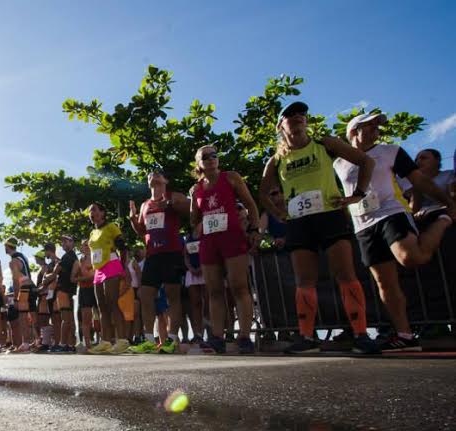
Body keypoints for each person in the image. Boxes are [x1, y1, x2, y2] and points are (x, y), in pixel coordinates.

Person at [260, 101, 379, 354]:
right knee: (305, 280)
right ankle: (306, 338)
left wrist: (357, 194)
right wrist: (278, 213)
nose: (297, 117)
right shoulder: (276, 160)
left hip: (330, 216)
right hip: (300, 223)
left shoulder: (326, 144)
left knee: (345, 274)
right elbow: (262, 193)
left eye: (301, 114)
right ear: (281, 125)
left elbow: (366, 162)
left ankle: (361, 334)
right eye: (290, 115)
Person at [334, 113, 456, 352]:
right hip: (363, 223)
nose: (373, 130)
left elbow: (418, 180)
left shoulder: (391, 150)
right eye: (366, 126)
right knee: (384, 282)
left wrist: (447, 204)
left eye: (375, 126)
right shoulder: (338, 162)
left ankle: (442, 220)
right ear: (352, 132)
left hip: (392, 212)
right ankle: (405, 335)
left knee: (410, 258)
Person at [191, 145, 261, 354]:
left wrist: (255, 229)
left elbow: (250, 204)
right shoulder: (196, 189)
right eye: (206, 156)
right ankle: (217, 337)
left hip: (232, 237)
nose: (211, 159)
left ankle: (244, 337)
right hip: (209, 242)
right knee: (213, 291)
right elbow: (194, 220)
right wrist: (198, 227)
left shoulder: (231, 177)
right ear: (199, 163)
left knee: (239, 286)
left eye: (214, 155)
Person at [128, 171, 190, 354]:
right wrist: (133, 219)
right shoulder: (145, 204)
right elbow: (142, 231)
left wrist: (171, 204)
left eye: (158, 175)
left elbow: (192, 209)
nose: (153, 177)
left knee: (173, 296)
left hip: (171, 252)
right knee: (145, 295)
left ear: (165, 180)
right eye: (150, 176)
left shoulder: (174, 196)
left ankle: (171, 339)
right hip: (153, 255)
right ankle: (148, 339)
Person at [87, 202, 129, 354]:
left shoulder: (111, 227)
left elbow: (124, 248)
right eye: (90, 212)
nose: (92, 213)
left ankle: (122, 340)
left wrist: (123, 269)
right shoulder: (92, 233)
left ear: (103, 213)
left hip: (112, 265)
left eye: (95, 210)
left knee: (113, 303)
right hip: (98, 270)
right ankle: (105, 341)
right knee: (101, 307)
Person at [4, 238, 33, 353]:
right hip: (30, 285)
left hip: (23, 288)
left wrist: (16, 298)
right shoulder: (23, 257)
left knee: (22, 317)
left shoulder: (13, 261)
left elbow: (16, 280)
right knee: (32, 316)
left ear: (7, 246)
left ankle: (25, 343)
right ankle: (36, 341)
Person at [410, 148, 456, 218]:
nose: (418, 161)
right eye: (416, 160)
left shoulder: (449, 175)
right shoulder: (414, 182)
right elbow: (413, 208)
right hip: (422, 216)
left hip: (446, 214)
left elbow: (453, 198)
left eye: (423, 158)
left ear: (437, 160)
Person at [53, 235, 79, 352]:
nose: (63, 244)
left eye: (66, 241)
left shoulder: (68, 257)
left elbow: (55, 273)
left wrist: (45, 280)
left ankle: (63, 344)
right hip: (71, 290)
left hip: (64, 290)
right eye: (62, 242)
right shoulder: (71, 257)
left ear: (72, 242)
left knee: (65, 319)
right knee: (70, 319)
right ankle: (70, 343)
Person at [75, 240, 97, 353]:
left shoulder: (96, 257)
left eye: (87, 245)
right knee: (85, 318)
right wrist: (80, 278)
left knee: (101, 316)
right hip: (84, 290)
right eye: (83, 245)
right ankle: (87, 344)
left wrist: (79, 279)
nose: (86, 247)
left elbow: (94, 276)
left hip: (95, 287)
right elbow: (73, 277)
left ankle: (104, 341)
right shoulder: (80, 260)